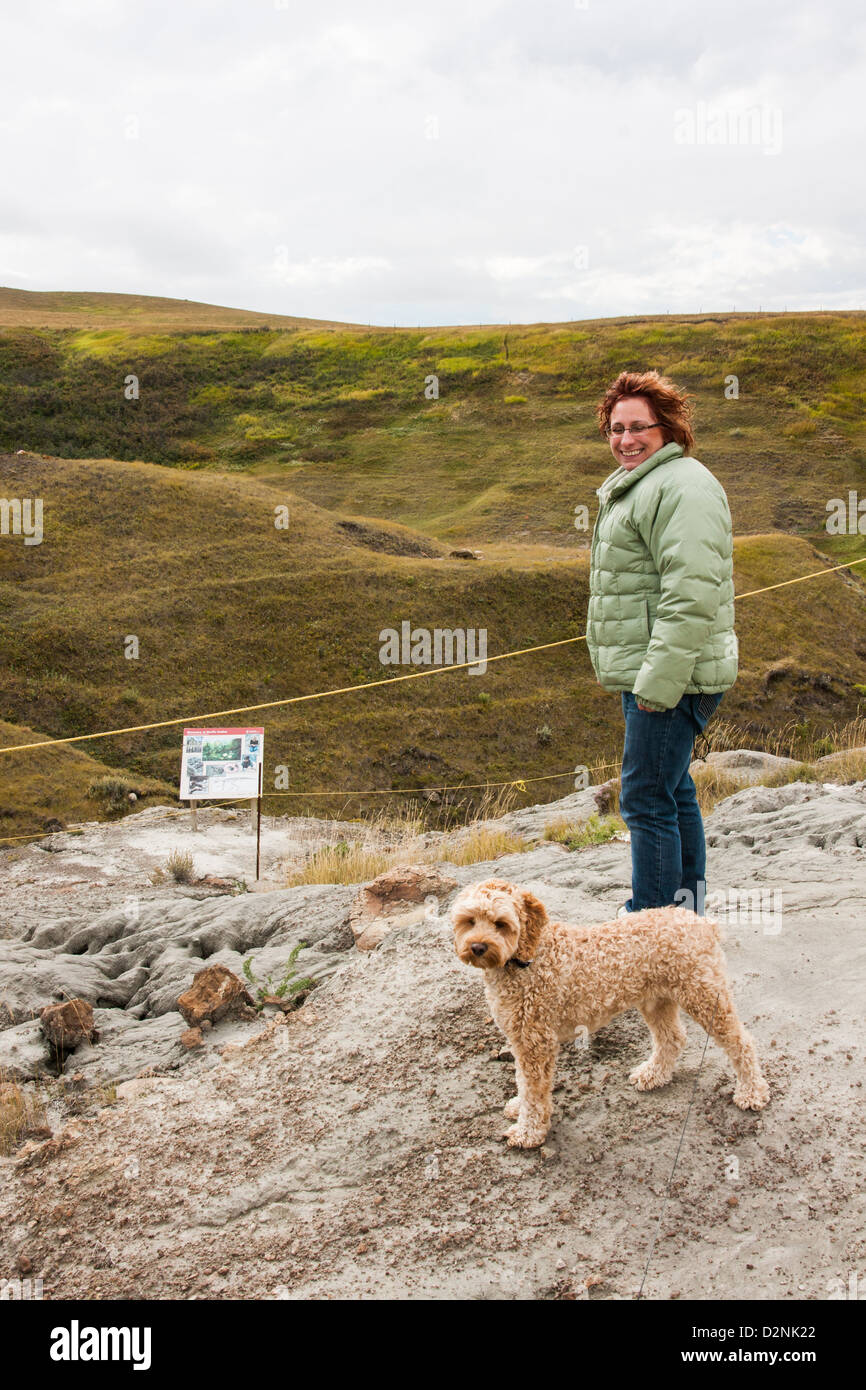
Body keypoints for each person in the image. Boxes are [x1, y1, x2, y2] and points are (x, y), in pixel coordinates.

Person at [585, 369, 738, 915]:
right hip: (658, 668)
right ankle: (684, 921)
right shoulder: (650, 482)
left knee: (646, 800)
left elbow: (690, 593)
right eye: (615, 427)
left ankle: (651, 928)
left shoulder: (682, 486)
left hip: (671, 674)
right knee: (673, 792)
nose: (625, 439)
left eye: (638, 427)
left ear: (667, 428)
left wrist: (658, 683)